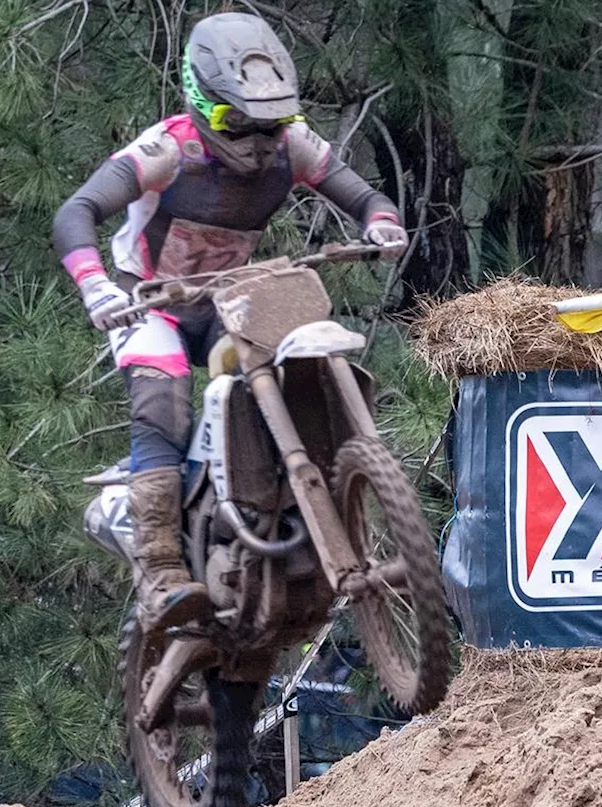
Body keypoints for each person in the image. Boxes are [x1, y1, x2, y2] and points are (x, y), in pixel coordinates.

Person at [53, 12, 407, 632]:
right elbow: (76, 210)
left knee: (292, 366)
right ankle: (159, 567)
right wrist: (94, 285)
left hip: (227, 299)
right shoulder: (167, 149)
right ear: (203, 104)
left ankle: (286, 520)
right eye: (235, 123)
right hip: (147, 299)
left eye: (271, 125)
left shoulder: (294, 144)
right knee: (163, 400)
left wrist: (381, 223)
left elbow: (364, 195)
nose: (256, 141)